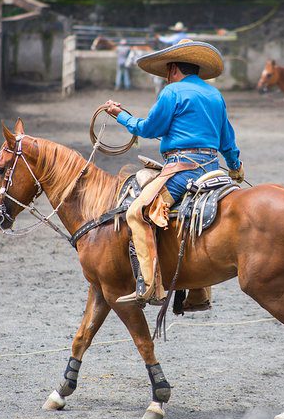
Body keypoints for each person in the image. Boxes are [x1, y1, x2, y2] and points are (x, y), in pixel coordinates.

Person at [104, 39, 244, 307]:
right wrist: (235, 167)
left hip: (182, 169)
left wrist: (120, 115)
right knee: (198, 218)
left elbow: (148, 128)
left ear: (173, 69)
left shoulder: (172, 93)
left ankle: (149, 285)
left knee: (138, 213)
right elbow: (227, 140)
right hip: (213, 169)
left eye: (167, 71)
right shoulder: (215, 95)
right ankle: (199, 291)